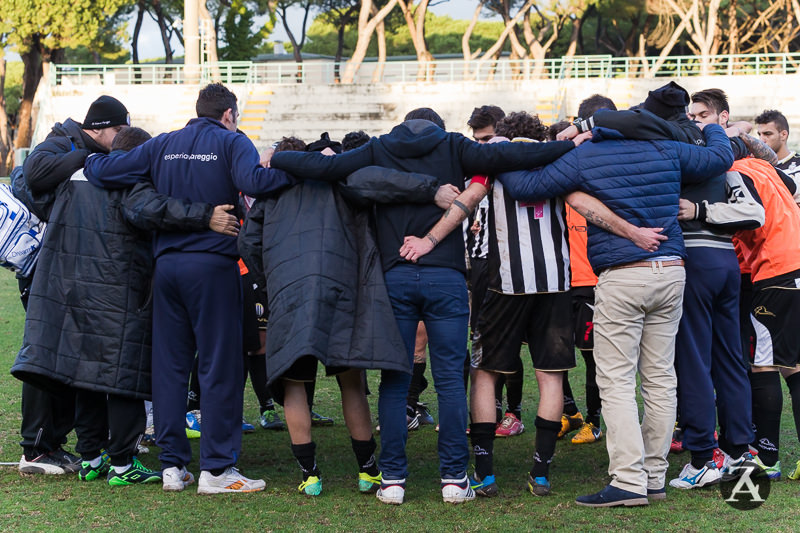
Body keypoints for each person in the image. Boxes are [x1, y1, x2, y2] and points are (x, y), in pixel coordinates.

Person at [268, 107, 577, 505]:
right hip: (445, 278)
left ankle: (393, 479)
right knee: (450, 380)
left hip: (394, 278)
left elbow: (326, 168)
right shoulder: (453, 146)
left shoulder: (379, 148)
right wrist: (563, 145)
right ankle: (453, 478)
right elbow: (511, 157)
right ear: (439, 127)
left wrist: (275, 156)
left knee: (396, 382)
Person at [493, 105, 734, 507]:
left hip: (624, 274)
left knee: (617, 381)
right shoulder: (664, 149)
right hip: (672, 269)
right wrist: (712, 129)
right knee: (659, 378)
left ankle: (628, 480)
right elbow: (719, 158)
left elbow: (525, 188)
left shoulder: (584, 155)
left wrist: (498, 156)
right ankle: (653, 476)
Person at [83, 83, 295, 495]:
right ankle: (216, 469)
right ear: (229, 114)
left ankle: (172, 467)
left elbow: (105, 171)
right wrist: (297, 165)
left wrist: (85, 158)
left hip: (167, 269)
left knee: (169, 368)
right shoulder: (233, 142)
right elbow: (255, 181)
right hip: (213, 267)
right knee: (219, 365)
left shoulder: (163, 144)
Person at [13, 126, 238, 485]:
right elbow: (148, 211)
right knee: (124, 378)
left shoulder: (74, 179)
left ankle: (90, 457)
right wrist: (204, 215)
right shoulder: (132, 183)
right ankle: (122, 461)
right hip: (118, 291)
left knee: (84, 376)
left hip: (74, 290)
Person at [240, 133, 456, 496]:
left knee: (294, 384)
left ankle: (310, 475)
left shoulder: (272, 192)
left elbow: (247, 243)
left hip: (289, 289)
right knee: (350, 380)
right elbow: (386, 185)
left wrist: (271, 279)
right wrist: (431, 190)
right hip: (341, 287)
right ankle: (367, 470)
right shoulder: (345, 179)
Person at [14, 95, 131, 475]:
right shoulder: (62, 142)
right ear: (97, 129)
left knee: (64, 358)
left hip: (64, 269)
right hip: (43, 269)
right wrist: (86, 158)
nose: (120, 137)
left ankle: (53, 443)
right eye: (118, 130)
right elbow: (35, 173)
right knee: (47, 357)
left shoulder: (77, 146)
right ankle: (37, 447)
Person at [755, 109, 800, 198]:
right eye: (759, 134)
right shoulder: (757, 165)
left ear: (783, 135)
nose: (761, 140)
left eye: (767, 134)